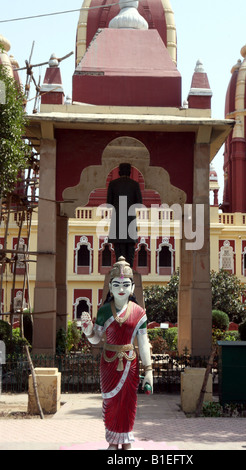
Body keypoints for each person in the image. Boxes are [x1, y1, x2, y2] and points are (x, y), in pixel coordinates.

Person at [81, 256, 153, 450]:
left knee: (128, 403)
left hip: (130, 364)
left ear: (132, 288)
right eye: (116, 284)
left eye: (126, 284)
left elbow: (143, 342)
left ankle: (126, 440)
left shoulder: (139, 313)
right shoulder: (105, 311)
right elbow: (97, 338)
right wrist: (88, 331)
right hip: (109, 363)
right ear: (110, 288)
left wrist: (149, 370)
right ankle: (113, 441)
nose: (121, 288)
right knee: (110, 402)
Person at [106, 163, 143, 267]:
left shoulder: (113, 184)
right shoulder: (135, 184)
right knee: (130, 249)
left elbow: (109, 205)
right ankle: (129, 271)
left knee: (118, 249)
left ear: (119, 172)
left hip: (117, 220)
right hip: (130, 219)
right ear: (130, 173)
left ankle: (119, 270)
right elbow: (139, 204)